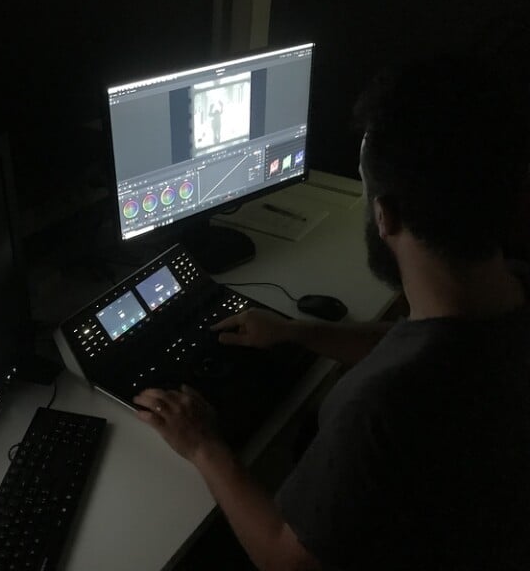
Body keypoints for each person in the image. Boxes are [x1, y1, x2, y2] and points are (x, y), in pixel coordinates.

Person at [134, 56, 530, 570]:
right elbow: (423, 340)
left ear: (384, 215)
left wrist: (203, 445)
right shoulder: (511, 291)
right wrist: (298, 332)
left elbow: (284, 557)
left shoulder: (384, 405)